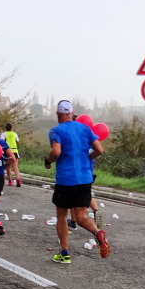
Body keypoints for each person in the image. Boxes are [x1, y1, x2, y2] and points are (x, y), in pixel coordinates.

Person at [44, 100, 110, 263]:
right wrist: (87, 158)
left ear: (58, 113)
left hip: (66, 180)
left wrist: (48, 161)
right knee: (81, 217)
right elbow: (99, 149)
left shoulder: (56, 130)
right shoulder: (85, 128)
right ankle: (97, 233)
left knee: (61, 216)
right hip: (84, 179)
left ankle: (65, 253)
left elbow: (56, 151)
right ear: (71, 113)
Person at [0, 122, 21, 187]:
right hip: (15, 151)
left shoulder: (4, 134)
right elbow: (18, 142)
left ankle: (10, 181)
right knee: (15, 166)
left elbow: (1, 142)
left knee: (8, 167)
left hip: (7, 151)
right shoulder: (15, 134)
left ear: (6, 128)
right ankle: (17, 178)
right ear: (11, 128)